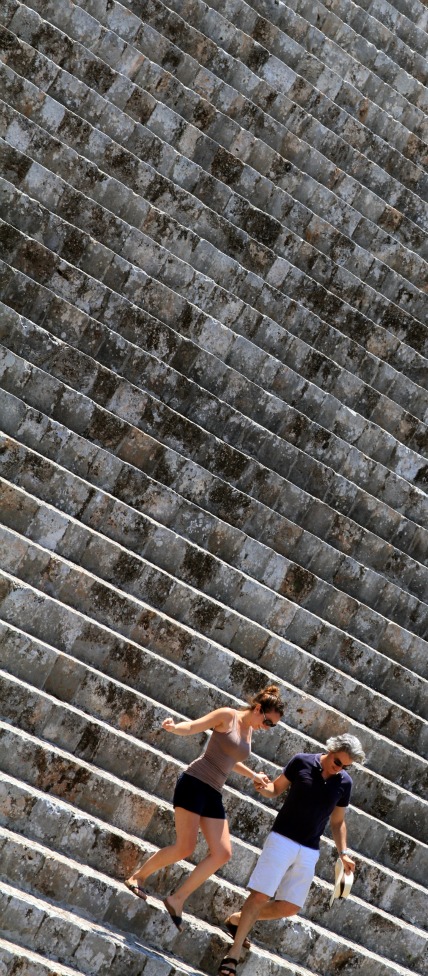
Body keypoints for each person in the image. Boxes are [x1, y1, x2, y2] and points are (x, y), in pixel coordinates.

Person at [125, 685, 285, 930]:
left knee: (223, 853)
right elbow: (194, 726)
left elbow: (229, 760)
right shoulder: (227, 716)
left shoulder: (249, 730)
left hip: (213, 792)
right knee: (184, 847)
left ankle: (177, 899)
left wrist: (253, 775)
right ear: (258, 709)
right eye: (268, 722)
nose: (268, 728)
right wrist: (174, 727)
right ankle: (138, 877)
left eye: (272, 726)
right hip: (194, 783)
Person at [218, 733, 365, 975]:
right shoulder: (302, 761)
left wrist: (344, 852)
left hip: (309, 849)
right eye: (338, 762)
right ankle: (233, 954)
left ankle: (238, 919)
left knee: (290, 906)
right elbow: (275, 789)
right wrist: (263, 788)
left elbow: (338, 822)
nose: (340, 769)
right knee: (259, 897)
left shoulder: (344, 783)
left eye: (346, 766)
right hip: (282, 839)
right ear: (331, 749)